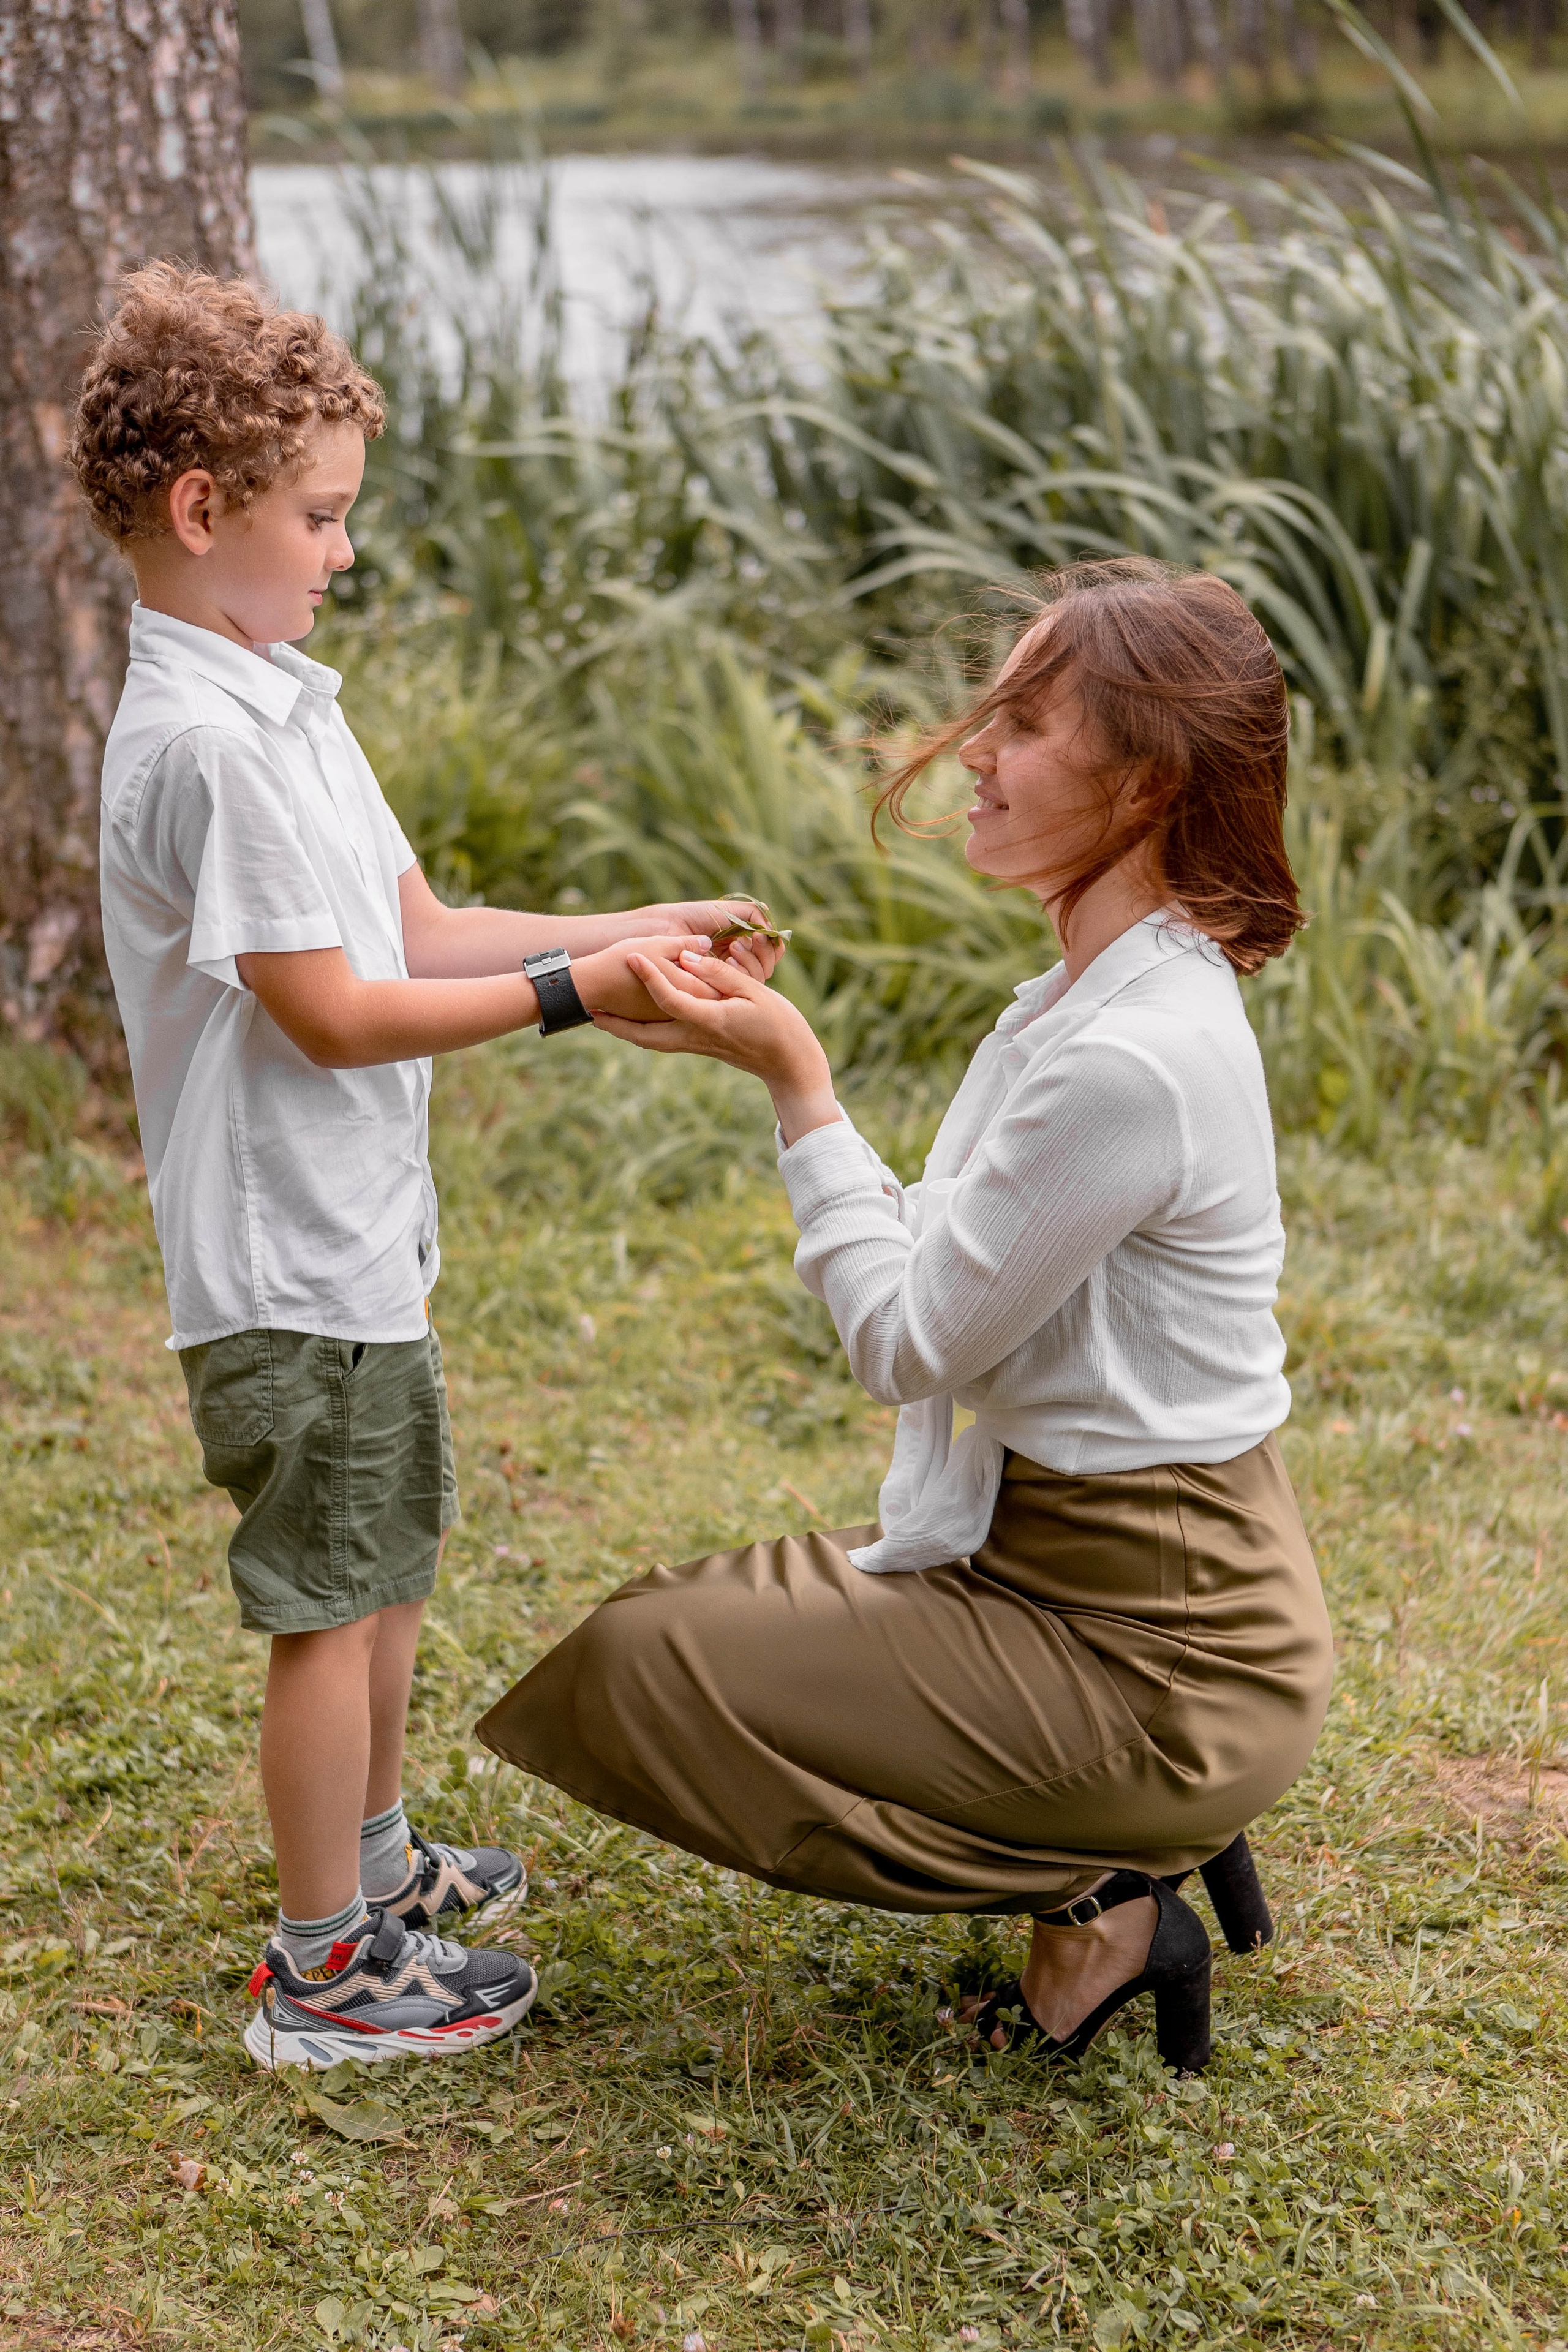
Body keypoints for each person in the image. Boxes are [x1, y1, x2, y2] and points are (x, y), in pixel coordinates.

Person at [475, 559, 1335, 2073]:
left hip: (1166, 1651)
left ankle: (1113, 1877)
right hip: (1054, 1563)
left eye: (1020, 720)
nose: (971, 754)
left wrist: (796, 1085)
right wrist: (755, 1070)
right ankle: (1113, 1860)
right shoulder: (1092, 1000)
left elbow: (903, 1343)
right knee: (659, 1641)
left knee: (652, 1669)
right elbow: (958, 1271)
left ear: (1140, 785)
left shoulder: (1129, 1051)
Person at [71, 262, 777, 2072]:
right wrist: (573, 998)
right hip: (282, 1260)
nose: (342, 552)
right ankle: (324, 1974)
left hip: (359, 1242)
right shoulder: (202, 746)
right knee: (326, 1607)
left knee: (385, 1570)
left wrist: (638, 930)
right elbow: (331, 1013)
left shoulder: (287, 703)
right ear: (203, 511)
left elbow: (421, 926)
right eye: (320, 519)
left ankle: (375, 1871)